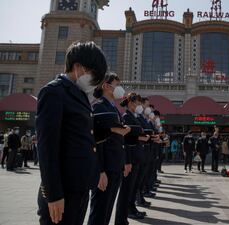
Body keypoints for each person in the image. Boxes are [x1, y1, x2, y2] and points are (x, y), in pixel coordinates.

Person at [36, 41, 107, 225]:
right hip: (62, 190)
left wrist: (96, 171)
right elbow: (47, 147)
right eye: (94, 74)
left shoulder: (80, 95)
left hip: (80, 186)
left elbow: (86, 139)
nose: (95, 82)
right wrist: (53, 194)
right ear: (77, 67)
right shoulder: (54, 92)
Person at [88, 73, 131, 225]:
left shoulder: (113, 108)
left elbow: (119, 140)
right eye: (117, 84)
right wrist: (100, 171)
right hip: (105, 168)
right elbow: (97, 141)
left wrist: (123, 162)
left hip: (115, 166)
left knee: (106, 210)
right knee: (99, 212)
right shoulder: (99, 106)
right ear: (106, 86)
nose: (119, 88)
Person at [115, 93, 149, 223]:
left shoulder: (133, 116)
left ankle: (130, 210)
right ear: (130, 103)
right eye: (137, 103)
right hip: (131, 156)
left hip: (137, 156)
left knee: (132, 188)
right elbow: (126, 139)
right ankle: (121, 218)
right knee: (125, 191)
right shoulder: (126, 116)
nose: (138, 105)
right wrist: (127, 161)